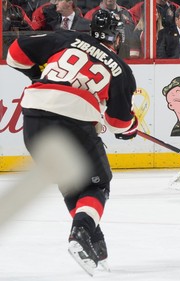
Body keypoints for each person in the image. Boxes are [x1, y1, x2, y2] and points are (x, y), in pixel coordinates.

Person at [6, 9, 138, 276]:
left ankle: (94, 242)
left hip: (33, 115)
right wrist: (131, 128)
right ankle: (80, 234)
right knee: (98, 183)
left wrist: (37, 76)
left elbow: (14, 54)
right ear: (118, 37)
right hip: (74, 118)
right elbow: (117, 124)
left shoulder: (67, 38)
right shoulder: (121, 70)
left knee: (73, 185)